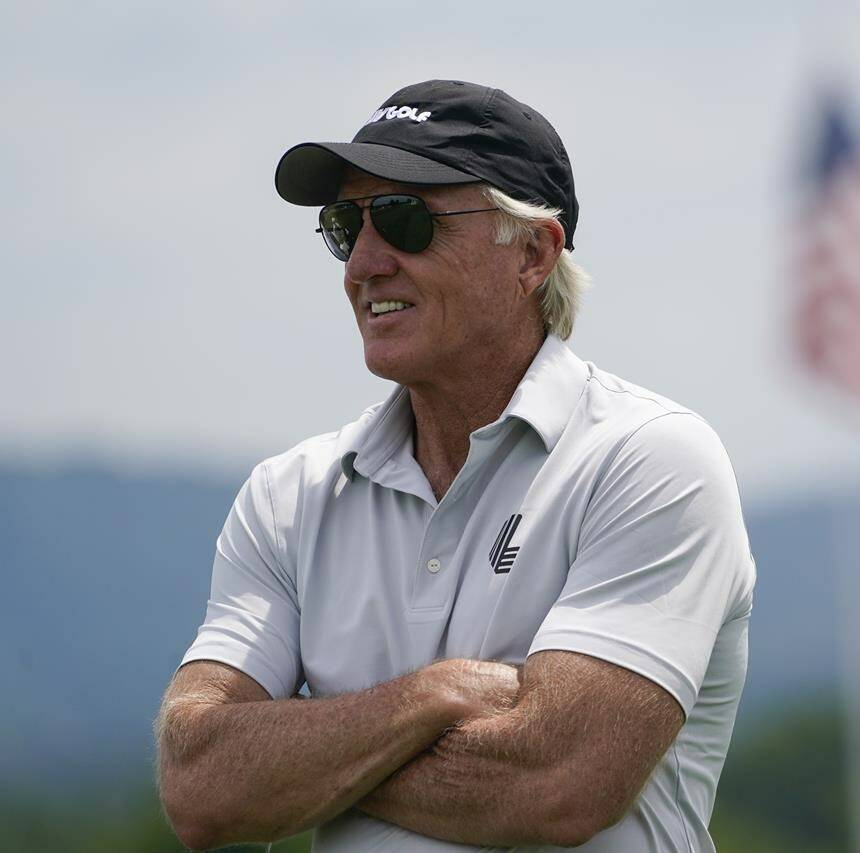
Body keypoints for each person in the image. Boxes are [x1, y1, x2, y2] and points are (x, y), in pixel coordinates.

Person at [155, 79, 755, 852]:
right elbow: (200, 784)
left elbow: (553, 783)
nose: (364, 262)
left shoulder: (647, 459)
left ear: (532, 253)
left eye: (405, 219)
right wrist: (429, 698)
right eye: (345, 224)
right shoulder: (287, 497)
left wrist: (297, 763)